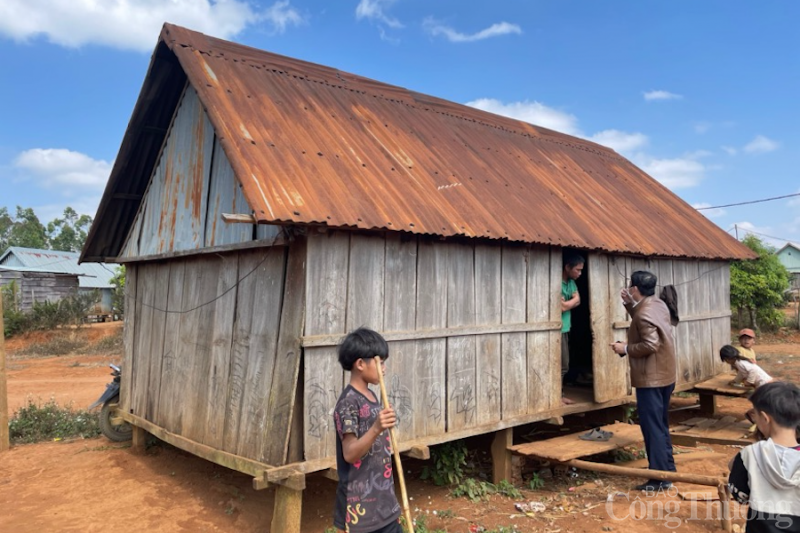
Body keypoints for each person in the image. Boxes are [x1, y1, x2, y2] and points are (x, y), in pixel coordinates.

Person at [610, 270, 677, 491]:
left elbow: (650, 345)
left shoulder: (644, 313)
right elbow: (644, 318)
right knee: (660, 424)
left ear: (635, 289)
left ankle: (659, 478)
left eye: (630, 286)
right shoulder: (657, 304)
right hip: (666, 375)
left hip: (651, 379)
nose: (629, 289)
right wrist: (630, 305)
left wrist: (625, 348)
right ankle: (667, 469)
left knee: (652, 428)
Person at [332, 327, 401, 533]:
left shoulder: (372, 397)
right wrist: (376, 428)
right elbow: (350, 453)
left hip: (383, 504)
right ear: (361, 364)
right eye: (380, 362)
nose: (384, 368)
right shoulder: (348, 403)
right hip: (358, 511)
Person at [728, 381, 800, 533]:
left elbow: (741, 496)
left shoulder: (748, 455)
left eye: (755, 414)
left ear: (765, 418)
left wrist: (736, 465)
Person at [561, 252, 584, 405]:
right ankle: (557, 396)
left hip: (565, 328)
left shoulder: (571, 283)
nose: (580, 273)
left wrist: (573, 301)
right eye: (577, 269)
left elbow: (578, 300)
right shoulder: (556, 282)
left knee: (564, 364)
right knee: (561, 365)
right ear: (567, 267)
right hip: (558, 329)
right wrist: (572, 301)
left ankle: (559, 395)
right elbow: (562, 307)